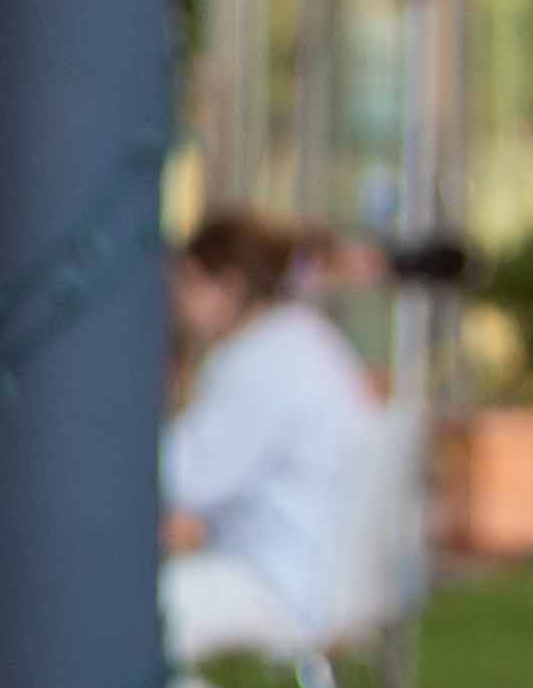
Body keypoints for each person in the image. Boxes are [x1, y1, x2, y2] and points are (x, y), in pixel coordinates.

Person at [161, 210, 382, 658]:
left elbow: (185, 479)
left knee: (116, 607)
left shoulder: (258, 359)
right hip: (324, 576)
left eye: (189, 282)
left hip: (281, 581)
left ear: (229, 286)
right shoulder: (307, 340)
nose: (177, 300)